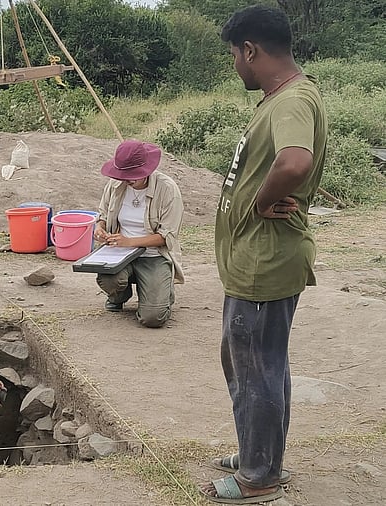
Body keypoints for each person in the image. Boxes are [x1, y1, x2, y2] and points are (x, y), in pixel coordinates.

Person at [200, 5, 328, 504]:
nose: (236, 65)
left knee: (257, 369)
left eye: (235, 55)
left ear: (250, 50)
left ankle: (259, 477)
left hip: (264, 262)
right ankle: (262, 453)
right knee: (259, 365)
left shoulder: (292, 101)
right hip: (256, 262)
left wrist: (261, 199)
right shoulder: (286, 97)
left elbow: (295, 162)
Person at [93, 139, 185, 328]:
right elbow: (102, 214)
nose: (127, 180)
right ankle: (120, 294)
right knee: (107, 277)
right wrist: (100, 229)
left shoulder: (167, 189)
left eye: (132, 175)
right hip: (119, 253)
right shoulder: (115, 185)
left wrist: (130, 242)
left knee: (153, 318)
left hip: (154, 255)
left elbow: (166, 237)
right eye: (123, 175)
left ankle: (162, 291)